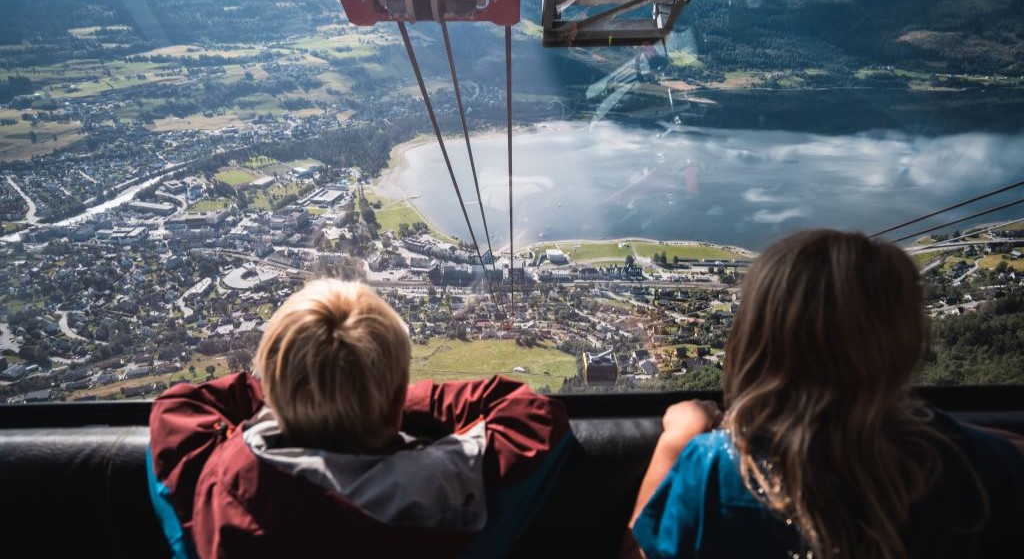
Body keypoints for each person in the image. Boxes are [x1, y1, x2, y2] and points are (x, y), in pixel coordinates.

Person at [626, 229, 1024, 559]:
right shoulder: (983, 470)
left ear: (752, 340)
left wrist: (674, 442)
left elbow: (640, 552)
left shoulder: (715, 470)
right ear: (909, 344)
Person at [147, 279, 572, 559]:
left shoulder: (214, 485)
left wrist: (302, 390)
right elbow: (534, 416)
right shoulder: (454, 498)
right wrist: (377, 398)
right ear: (393, 403)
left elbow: (177, 406)